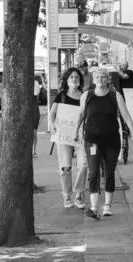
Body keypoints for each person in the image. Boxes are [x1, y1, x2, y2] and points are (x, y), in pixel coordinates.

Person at [74, 68, 133, 219]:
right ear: (93, 80)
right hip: (92, 140)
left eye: (103, 77)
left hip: (111, 140)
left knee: (109, 172)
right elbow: (81, 114)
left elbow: (126, 115)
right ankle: (94, 206)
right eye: (97, 77)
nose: (100, 79)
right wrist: (76, 130)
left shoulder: (115, 96)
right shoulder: (86, 95)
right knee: (93, 172)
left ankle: (107, 205)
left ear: (108, 79)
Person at [49, 67, 88, 208]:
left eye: (77, 77)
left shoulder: (84, 96)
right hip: (64, 136)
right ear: (66, 79)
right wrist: (52, 125)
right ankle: (66, 195)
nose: (74, 79)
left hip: (81, 135)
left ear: (80, 80)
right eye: (71, 77)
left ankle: (79, 194)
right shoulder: (61, 96)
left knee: (83, 165)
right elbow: (52, 113)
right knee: (65, 167)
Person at [33, 77, 41, 158]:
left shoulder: (35, 82)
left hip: (34, 109)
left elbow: (37, 96)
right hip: (33, 109)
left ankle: (33, 150)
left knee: (34, 132)